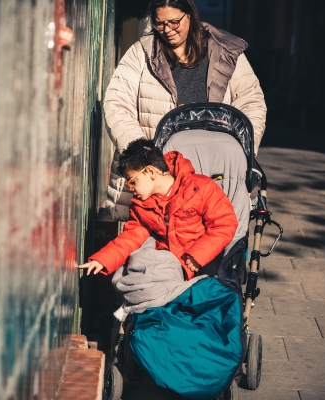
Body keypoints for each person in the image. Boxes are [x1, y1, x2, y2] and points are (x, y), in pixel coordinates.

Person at [102, 0, 266, 221]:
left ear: (190, 15)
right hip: (157, 175)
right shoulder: (141, 52)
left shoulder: (224, 53)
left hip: (214, 172)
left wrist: (242, 150)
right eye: (159, 23)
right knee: (151, 240)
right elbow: (116, 102)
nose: (167, 30)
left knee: (213, 236)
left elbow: (251, 102)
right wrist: (144, 154)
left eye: (174, 22)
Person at [79, 138, 237, 282]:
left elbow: (225, 224)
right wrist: (103, 259)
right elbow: (131, 237)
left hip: (202, 262)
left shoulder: (200, 187)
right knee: (126, 279)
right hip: (168, 264)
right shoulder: (141, 205)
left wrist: (199, 254)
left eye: (132, 182)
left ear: (151, 172)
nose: (131, 189)